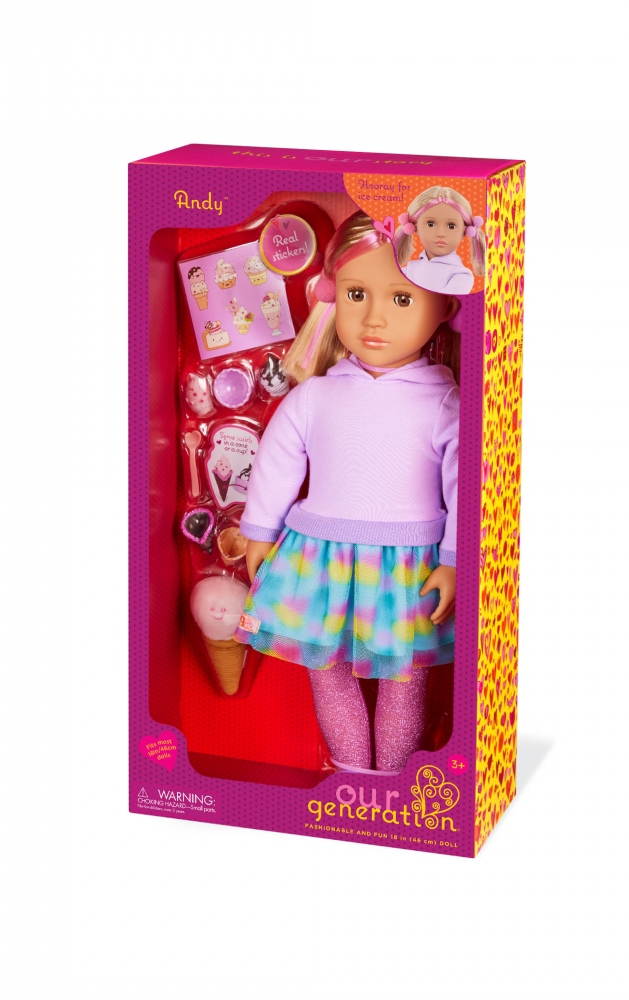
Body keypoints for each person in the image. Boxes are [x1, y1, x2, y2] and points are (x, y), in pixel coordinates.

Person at [234, 211, 459, 774]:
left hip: (409, 565)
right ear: (333, 296)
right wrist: (259, 531)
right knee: (326, 671)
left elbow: (466, 486)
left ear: (446, 307)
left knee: (405, 678)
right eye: (357, 294)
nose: (374, 317)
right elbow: (277, 461)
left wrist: (457, 559)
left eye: (402, 299)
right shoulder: (315, 396)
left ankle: (392, 783)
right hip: (318, 558)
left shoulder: (444, 403)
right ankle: (353, 777)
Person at [394, 185, 485, 294]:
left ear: (465, 231)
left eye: (451, 226)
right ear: (415, 227)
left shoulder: (461, 276)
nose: (441, 234)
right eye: (430, 224)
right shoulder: (409, 270)